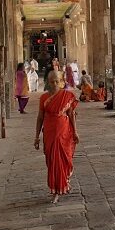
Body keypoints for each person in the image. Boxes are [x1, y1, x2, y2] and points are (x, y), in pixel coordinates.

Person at [34, 71, 79, 204]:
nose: (54, 84)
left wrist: (75, 132)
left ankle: (60, 187)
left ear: (62, 81)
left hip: (63, 131)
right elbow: (40, 117)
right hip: (49, 131)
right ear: (48, 82)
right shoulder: (44, 98)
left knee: (63, 159)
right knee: (52, 160)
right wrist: (36, 136)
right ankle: (55, 187)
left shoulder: (67, 95)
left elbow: (71, 115)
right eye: (52, 81)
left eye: (57, 81)